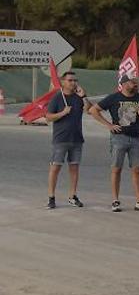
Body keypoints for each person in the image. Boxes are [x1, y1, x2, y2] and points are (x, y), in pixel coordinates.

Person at [89, 74, 139, 212]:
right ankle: (115, 200)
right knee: (116, 168)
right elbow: (93, 110)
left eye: (137, 82)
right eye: (133, 82)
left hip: (136, 137)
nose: (136, 84)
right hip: (119, 137)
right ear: (124, 83)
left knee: (137, 169)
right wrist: (108, 125)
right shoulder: (114, 98)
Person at [45, 70, 88, 209]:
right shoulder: (57, 98)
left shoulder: (78, 97)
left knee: (74, 168)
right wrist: (63, 113)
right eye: (70, 80)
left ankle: (72, 196)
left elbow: (89, 109)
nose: (73, 83)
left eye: (75, 80)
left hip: (77, 139)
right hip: (61, 139)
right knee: (55, 167)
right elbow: (48, 117)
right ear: (63, 82)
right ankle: (51, 197)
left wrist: (84, 96)